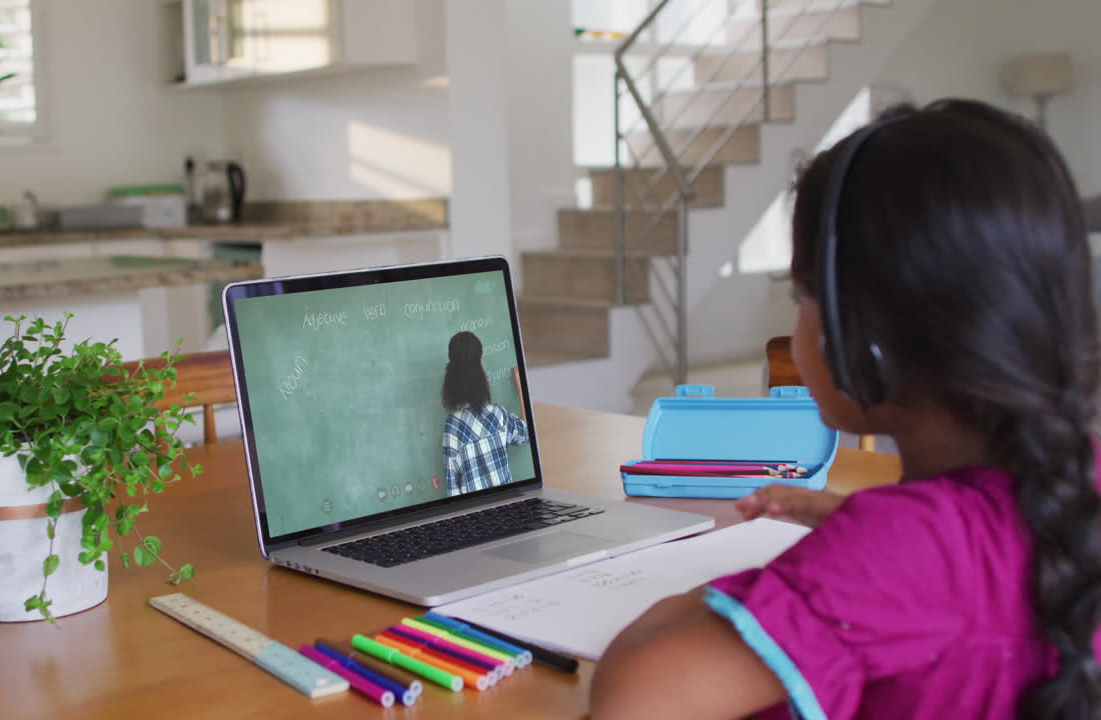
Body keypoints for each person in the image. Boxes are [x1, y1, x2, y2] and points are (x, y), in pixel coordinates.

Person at [590, 99, 1101, 720]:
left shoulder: (904, 550)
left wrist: (795, 580)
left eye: (802, 293)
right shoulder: (1072, 486)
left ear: (867, 333)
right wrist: (857, 530)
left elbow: (633, 701)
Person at [440, 330, 529, 496]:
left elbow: (453, 492)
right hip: (509, 511)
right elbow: (525, 433)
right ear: (480, 366)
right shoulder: (496, 415)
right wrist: (522, 390)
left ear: (451, 373)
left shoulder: (451, 429)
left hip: (475, 516)